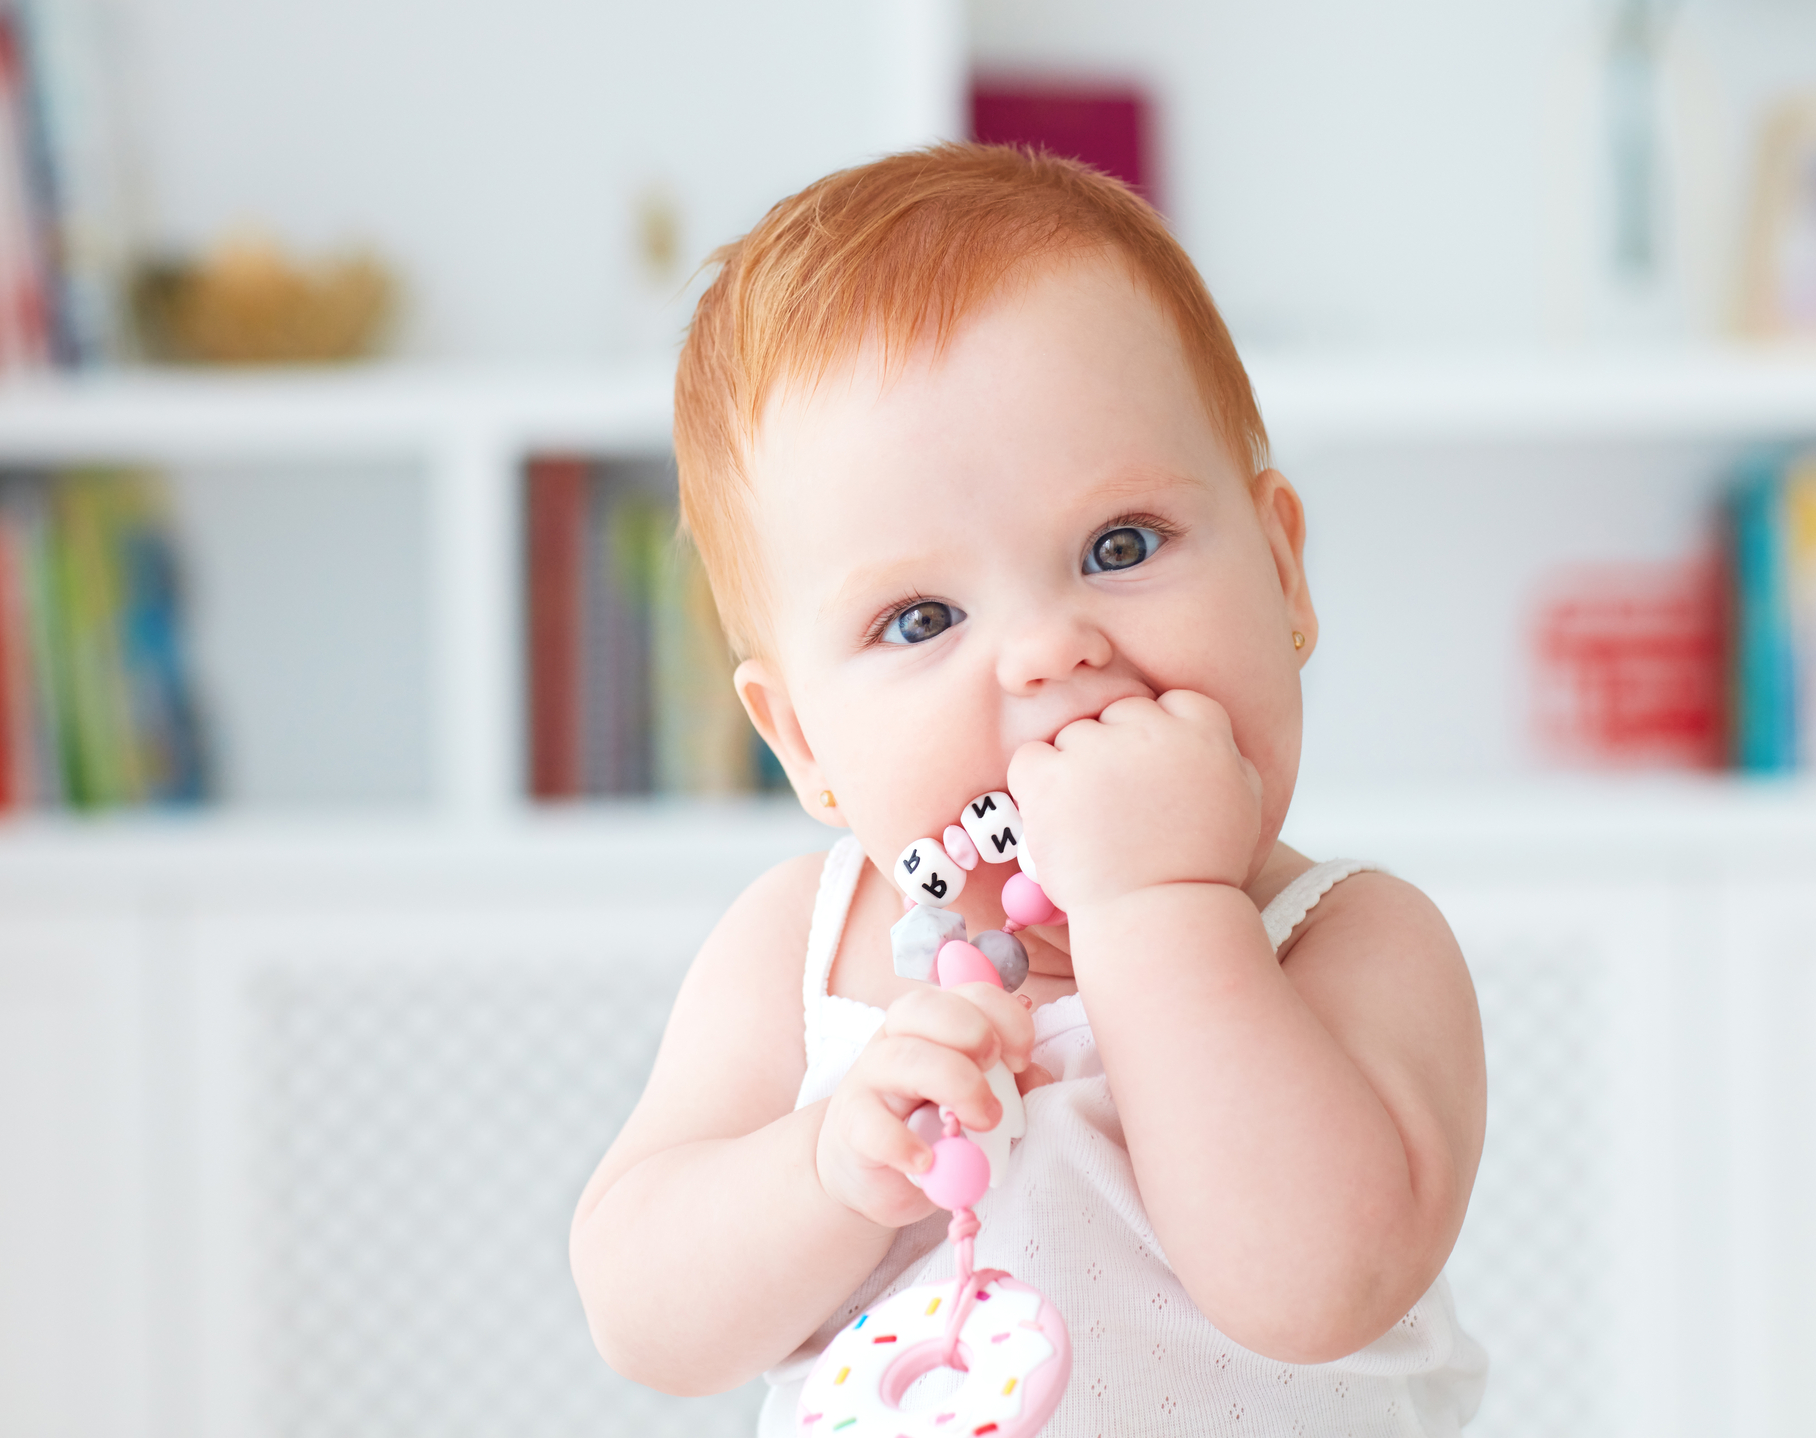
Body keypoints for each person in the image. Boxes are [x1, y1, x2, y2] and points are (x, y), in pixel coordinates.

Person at [570, 143, 1488, 1437]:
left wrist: (1157, 902)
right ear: (802, 742)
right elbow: (641, 1314)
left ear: (1283, 573)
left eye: (1120, 545)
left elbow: (1317, 1285)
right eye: (921, 618)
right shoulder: (802, 949)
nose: (1049, 649)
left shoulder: (1350, 940)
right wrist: (826, 1170)